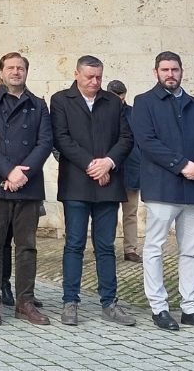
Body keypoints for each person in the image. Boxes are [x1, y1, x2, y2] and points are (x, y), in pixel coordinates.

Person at [131, 51, 194, 331]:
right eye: (165, 69)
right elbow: (147, 141)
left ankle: (191, 307)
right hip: (162, 187)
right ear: (156, 72)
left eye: (175, 69)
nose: (170, 74)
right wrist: (181, 165)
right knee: (155, 248)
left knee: (191, 251)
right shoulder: (143, 103)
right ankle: (159, 307)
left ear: (182, 71)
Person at [51, 55, 136, 327]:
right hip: (76, 183)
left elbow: (126, 137)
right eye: (89, 76)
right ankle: (70, 301)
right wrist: (91, 165)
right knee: (74, 244)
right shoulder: (61, 100)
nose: (95, 82)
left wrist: (108, 163)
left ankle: (109, 302)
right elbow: (62, 139)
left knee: (106, 246)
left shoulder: (112, 102)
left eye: (98, 77)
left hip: (108, 184)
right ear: (76, 74)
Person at [0, 52, 52, 326]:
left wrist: (22, 174)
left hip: (28, 186)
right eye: (11, 68)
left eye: (20, 68)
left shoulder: (40, 105)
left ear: (26, 72)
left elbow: (44, 143)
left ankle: (25, 302)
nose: (16, 72)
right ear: (1, 71)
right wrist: (8, 171)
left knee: (27, 246)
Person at [105, 80, 141, 263]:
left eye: (120, 94)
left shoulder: (134, 113)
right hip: (109, 171)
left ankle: (130, 249)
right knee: (107, 212)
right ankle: (105, 247)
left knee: (131, 212)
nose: (118, 97)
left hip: (132, 169)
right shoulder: (102, 111)